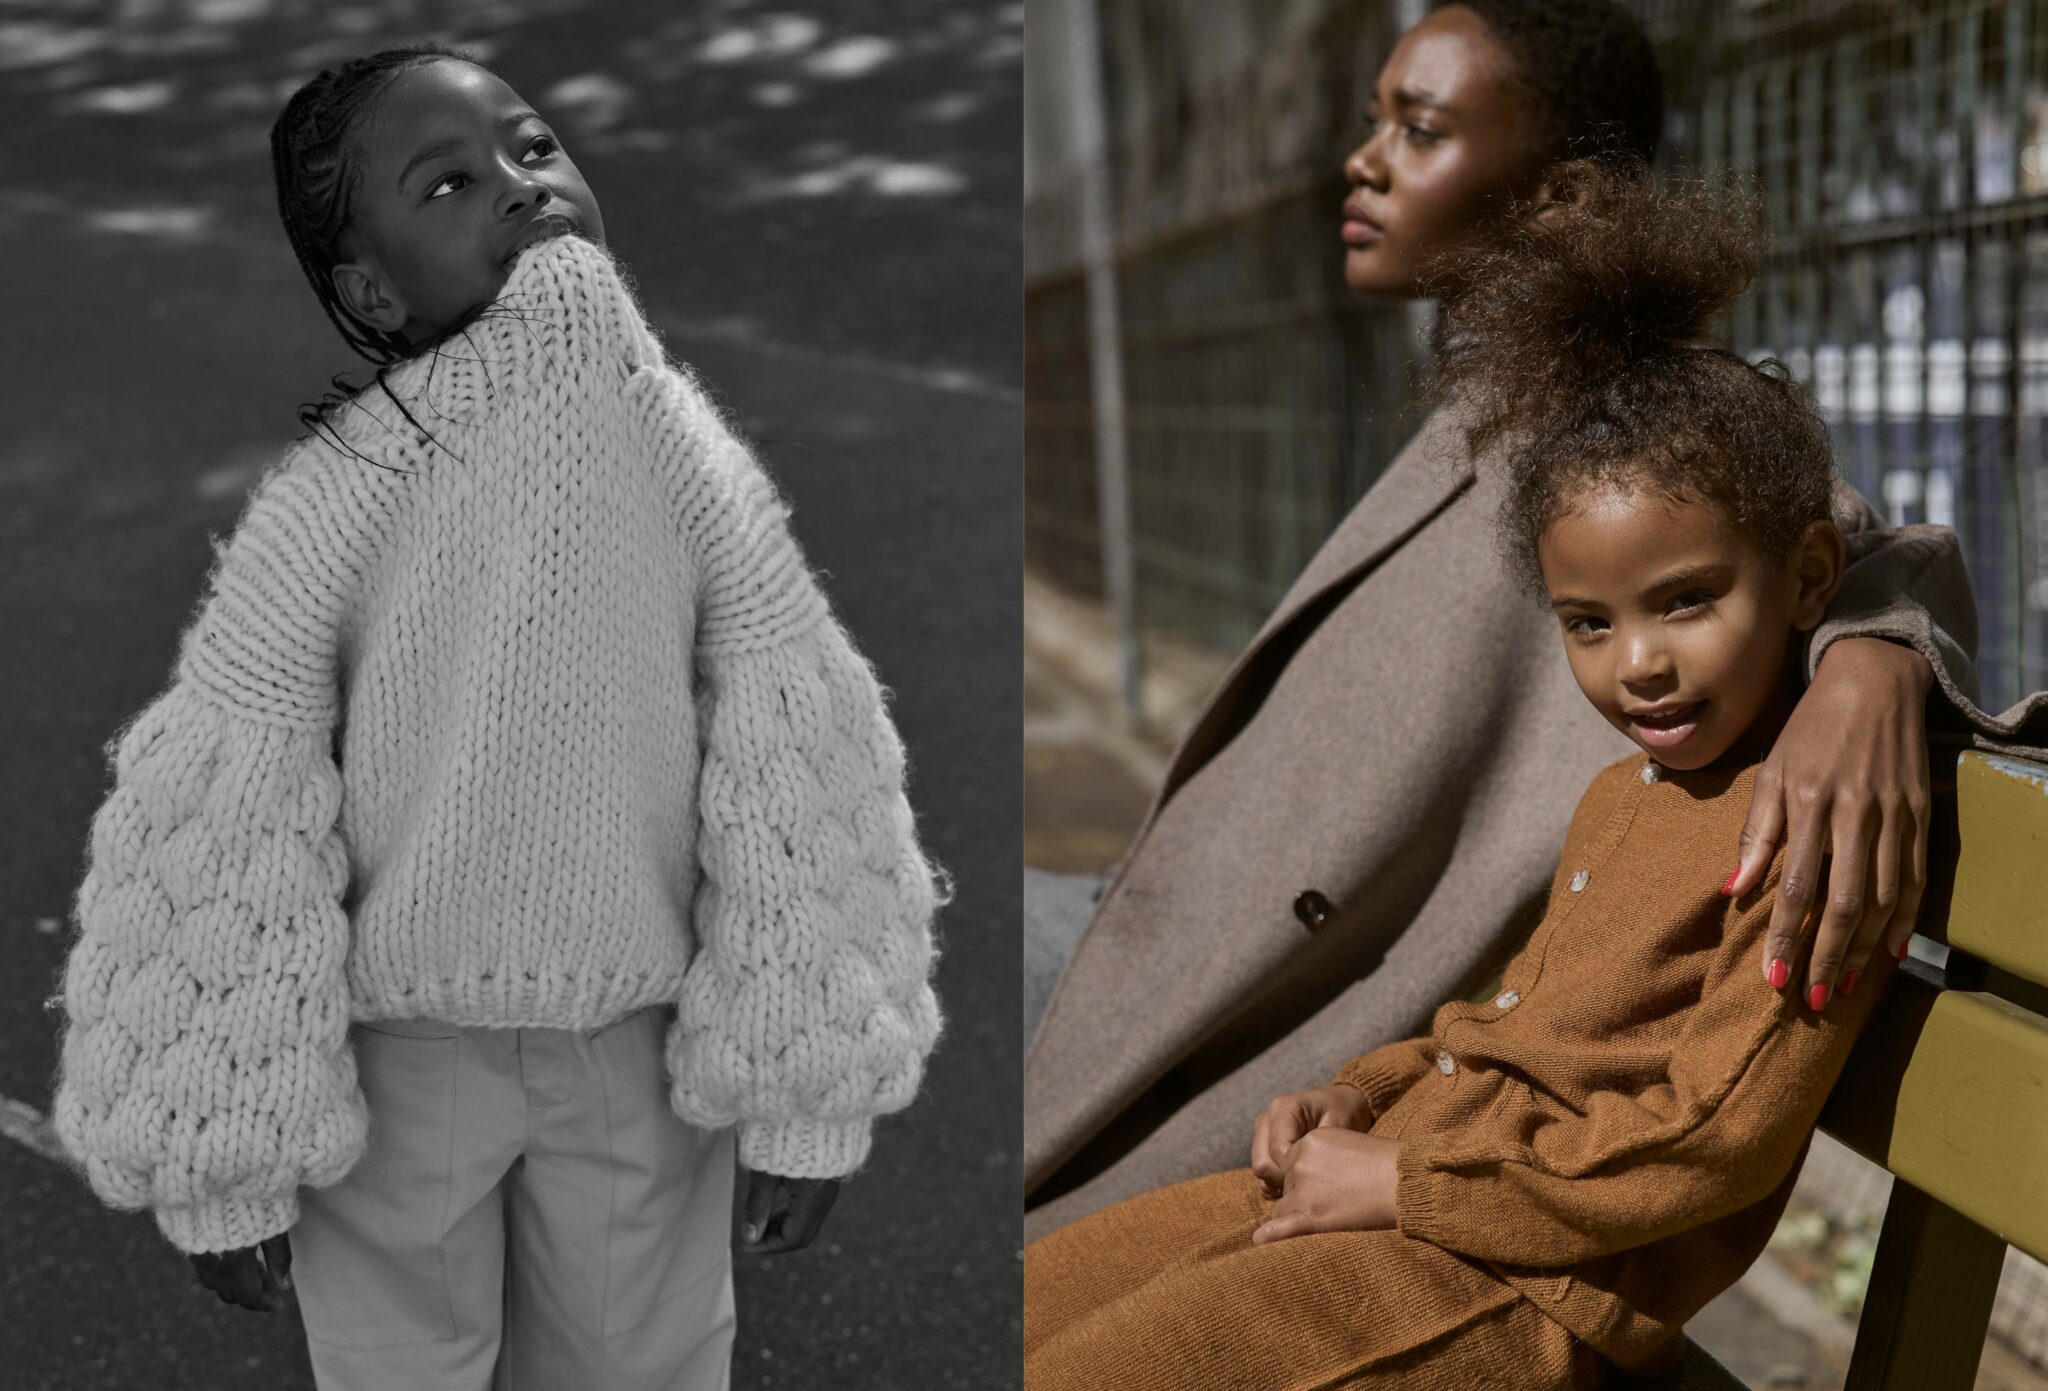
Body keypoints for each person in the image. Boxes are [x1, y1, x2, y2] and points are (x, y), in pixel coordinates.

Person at [1023, 0, 2047, 1242]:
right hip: (1152, 935)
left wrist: (1872, 663)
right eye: (1373, 122)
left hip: (1234, 1019)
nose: (1364, 158)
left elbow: (1838, 543)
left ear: (1557, 200)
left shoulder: (1611, 423)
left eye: (1420, 127)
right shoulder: (1497, 389)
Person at [46, 43, 946, 1391]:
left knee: (643, 1364)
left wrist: (806, 1095)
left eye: (533, 148)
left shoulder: (680, 455)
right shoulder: (334, 501)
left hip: (640, 1050)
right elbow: (228, 817)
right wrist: (221, 1152)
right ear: (368, 283)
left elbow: (796, 756)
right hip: (395, 1066)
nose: (521, 187)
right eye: (449, 182)